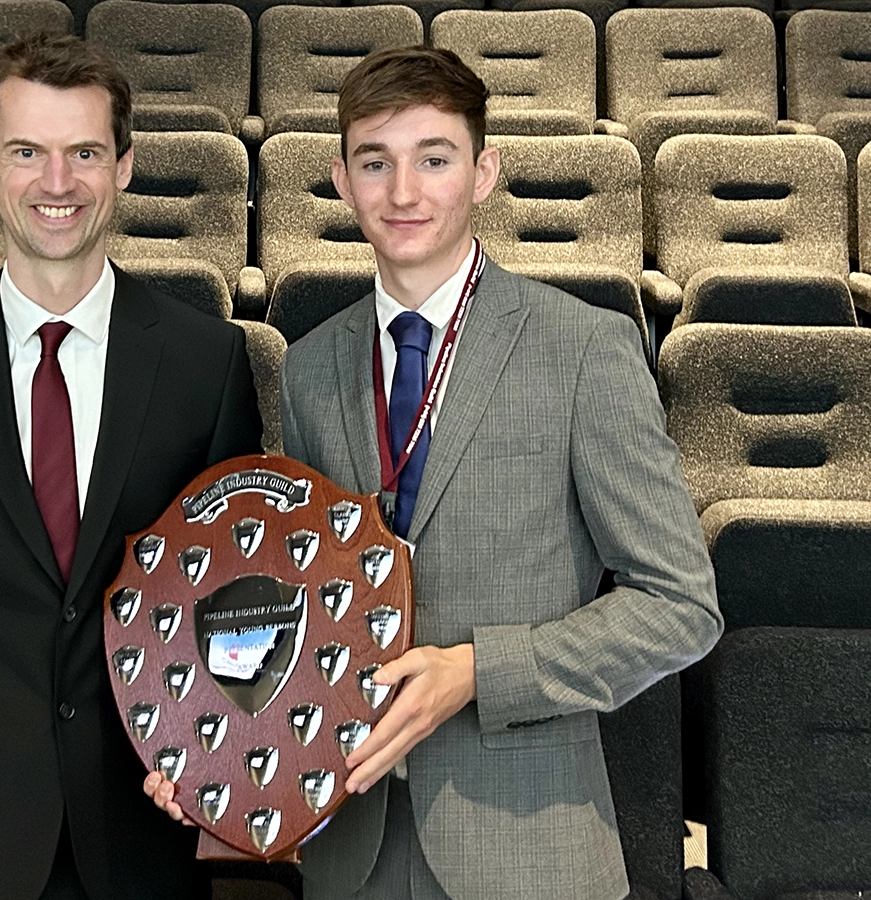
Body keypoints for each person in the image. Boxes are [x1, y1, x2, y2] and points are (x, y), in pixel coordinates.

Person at [147, 46, 721, 900]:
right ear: (341, 181)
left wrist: (479, 672)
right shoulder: (308, 367)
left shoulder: (584, 349)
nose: (403, 192)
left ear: (484, 172)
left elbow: (681, 608)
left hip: (531, 848)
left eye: (434, 159)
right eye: (375, 163)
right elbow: (301, 603)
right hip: (353, 845)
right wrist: (207, 744)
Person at [0, 33, 262, 900]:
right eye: (26, 152)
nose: (58, 182)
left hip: (147, 811)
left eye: (85, 153)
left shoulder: (207, 363)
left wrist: (194, 736)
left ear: (126, 167)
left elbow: (233, 591)